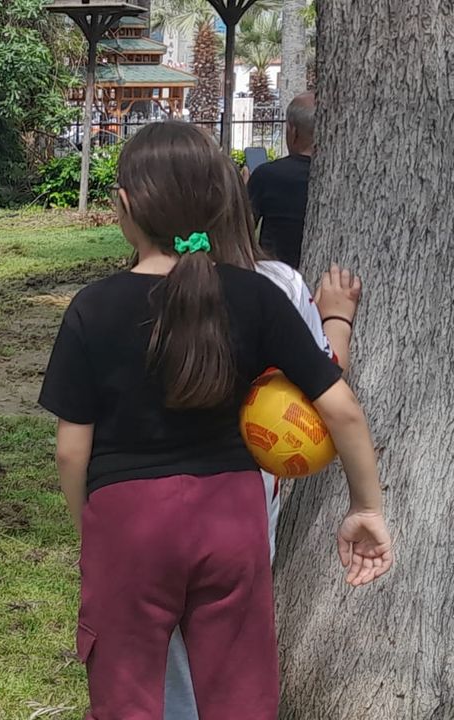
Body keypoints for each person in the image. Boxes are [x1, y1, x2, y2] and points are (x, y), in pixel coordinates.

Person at [40, 121, 393, 719]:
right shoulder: (257, 294)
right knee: (239, 694)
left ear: (125, 205)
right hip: (232, 514)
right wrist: (366, 507)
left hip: (130, 520)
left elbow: (71, 451)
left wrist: (92, 528)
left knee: (128, 697)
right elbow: (342, 409)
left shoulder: (91, 307)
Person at [162, 154, 363, 720]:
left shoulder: (139, 286)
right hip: (245, 498)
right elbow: (321, 386)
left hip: (151, 495)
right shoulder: (276, 282)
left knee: (167, 643)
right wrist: (337, 318)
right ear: (240, 203)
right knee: (228, 638)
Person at [248, 92, 315, 269]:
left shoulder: (267, 176)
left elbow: (242, 230)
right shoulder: (340, 179)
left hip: (274, 274)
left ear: (293, 132)